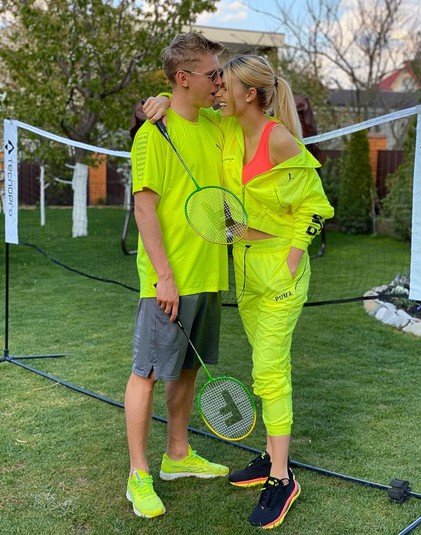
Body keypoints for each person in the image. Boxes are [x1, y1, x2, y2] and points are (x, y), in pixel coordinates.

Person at [145, 53, 334, 529]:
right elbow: (184, 107)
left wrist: (291, 261)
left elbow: (316, 206)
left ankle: (282, 478)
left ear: (249, 94)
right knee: (261, 370)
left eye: (224, 85)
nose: (217, 91)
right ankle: (271, 457)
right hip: (245, 274)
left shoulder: (280, 140)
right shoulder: (225, 128)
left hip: (280, 275)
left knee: (271, 372)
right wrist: (161, 98)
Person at [124, 32, 230, 520]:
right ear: (183, 78)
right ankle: (138, 475)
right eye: (212, 74)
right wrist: (164, 276)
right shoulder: (153, 134)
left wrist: (167, 97)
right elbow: (144, 209)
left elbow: (257, 99)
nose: (220, 81)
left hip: (208, 274)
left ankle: (178, 455)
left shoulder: (213, 124)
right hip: (168, 281)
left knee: (188, 369)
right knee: (146, 373)